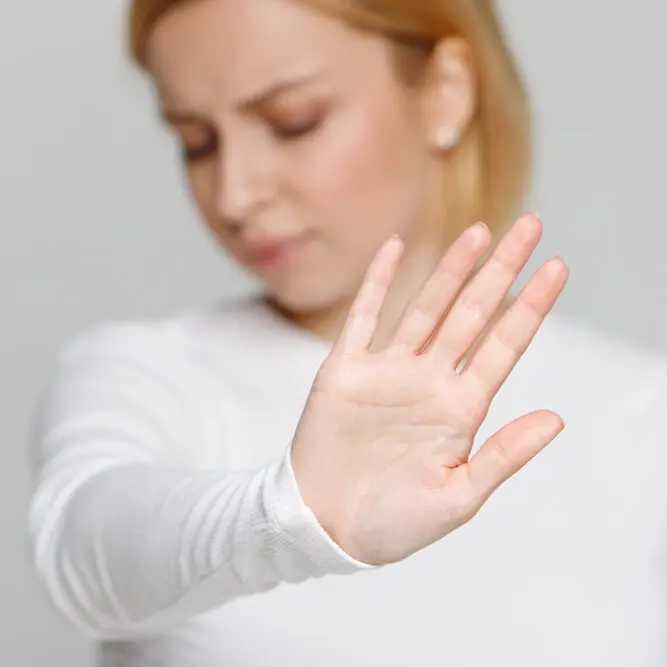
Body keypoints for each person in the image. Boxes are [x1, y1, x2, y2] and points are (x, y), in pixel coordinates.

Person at [28, 0, 667, 665]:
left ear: (446, 92)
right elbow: (81, 558)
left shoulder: (645, 411)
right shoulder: (141, 374)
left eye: (292, 122)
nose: (234, 196)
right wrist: (290, 511)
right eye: (196, 142)